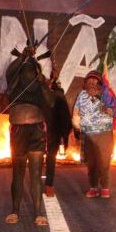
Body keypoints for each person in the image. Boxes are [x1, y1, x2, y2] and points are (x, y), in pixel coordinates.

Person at [5, 45, 55, 226]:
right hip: (18, 129)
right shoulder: (14, 83)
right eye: (24, 70)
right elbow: (10, 71)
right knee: (18, 172)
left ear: (36, 72)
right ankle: (15, 211)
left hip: (37, 129)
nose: (28, 74)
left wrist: (43, 83)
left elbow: (51, 102)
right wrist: (23, 57)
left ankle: (38, 213)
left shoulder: (40, 86)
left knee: (35, 172)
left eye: (31, 71)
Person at [74, 70, 116, 199]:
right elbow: (77, 110)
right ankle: (93, 187)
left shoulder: (106, 94)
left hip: (104, 134)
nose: (92, 84)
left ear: (100, 83)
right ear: (85, 83)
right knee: (92, 162)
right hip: (88, 134)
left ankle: (104, 187)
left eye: (95, 82)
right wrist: (76, 124)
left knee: (104, 162)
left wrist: (105, 107)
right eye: (89, 81)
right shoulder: (82, 95)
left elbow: (115, 113)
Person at [44, 69, 73, 197]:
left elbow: (65, 119)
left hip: (53, 133)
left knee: (51, 159)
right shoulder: (34, 94)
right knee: (36, 159)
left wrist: (63, 136)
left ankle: (49, 185)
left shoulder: (58, 96)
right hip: (37, 132)